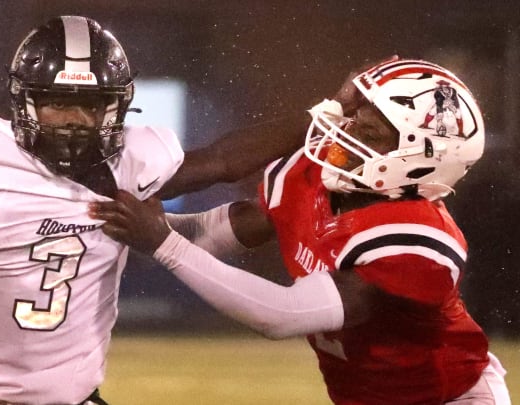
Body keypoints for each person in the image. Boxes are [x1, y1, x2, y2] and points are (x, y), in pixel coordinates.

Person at [0, 15, 307, 405]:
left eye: (91, 105)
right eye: (57, 103)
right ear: (24, 102)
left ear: (117, 107)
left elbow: (225, 161)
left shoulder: (131, 162)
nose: (74, 121)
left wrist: (323, 117)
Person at [89, 58, 512, 404]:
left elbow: (280, 315)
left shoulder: (416, 243)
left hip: (448, 399)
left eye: (369, 131)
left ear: (419, 159)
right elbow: (218, 231)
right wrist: (124, 222)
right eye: (355, 116)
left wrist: (160, 241)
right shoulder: (321, 175)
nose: (345, 133)